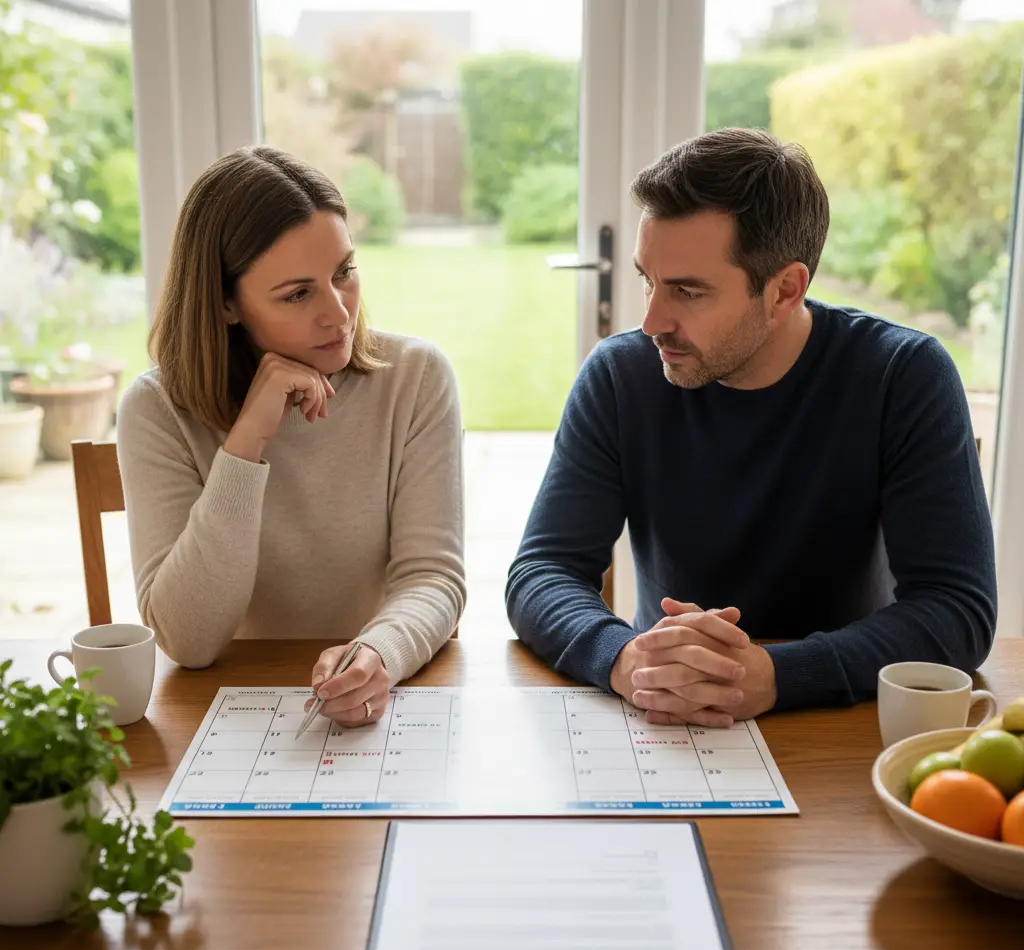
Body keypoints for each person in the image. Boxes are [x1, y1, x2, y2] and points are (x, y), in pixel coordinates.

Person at [506, 127, 996, 729]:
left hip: (836, 723)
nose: (652, 320)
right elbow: (541, 573)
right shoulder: (621, 375)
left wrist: (776, 674)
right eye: (647, 280)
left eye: (688, 291)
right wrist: (624, 657)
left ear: (784, 290)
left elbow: (958, 611)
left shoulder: (903, 375)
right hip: (666, 715)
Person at [118, 146, 465, 728]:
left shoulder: (418, 378)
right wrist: (246, 442)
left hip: (377, 703)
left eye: (344, 273)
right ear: (226, 303)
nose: (340, 315)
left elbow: (433, 576)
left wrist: (378, 653)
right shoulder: (156, 410)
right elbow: (187, 640)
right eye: (298, 294)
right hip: (223, 717)